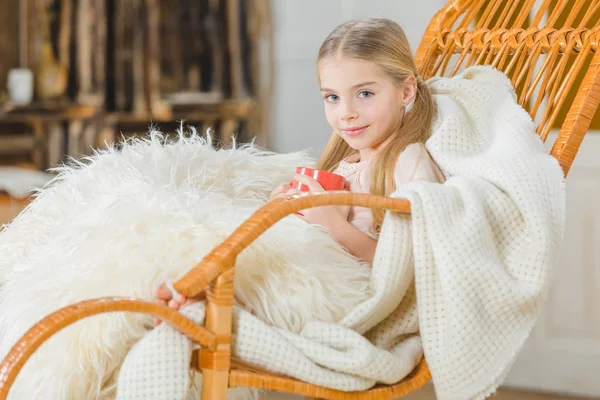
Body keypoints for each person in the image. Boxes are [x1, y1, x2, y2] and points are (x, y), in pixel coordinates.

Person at [155, 18, 445, 319]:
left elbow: (418, 268)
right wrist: (283, 210)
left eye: (365, 94)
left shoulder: (408, 160)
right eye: (332, 97)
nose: (346, 113)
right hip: (309, 275)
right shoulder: (344, 164)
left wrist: (333, 224)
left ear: (406, 91)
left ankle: (203, 297)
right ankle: (201, 289)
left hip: (345, 298)